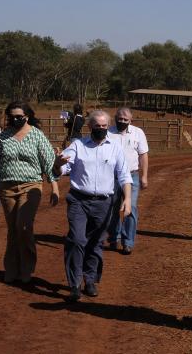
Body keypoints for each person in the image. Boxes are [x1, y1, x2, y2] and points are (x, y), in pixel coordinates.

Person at [53, 110, 132, 302]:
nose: (102, 129)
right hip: (79, 200)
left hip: (104, 202)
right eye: (98, 126)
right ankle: (74, 284)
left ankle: (90, 280)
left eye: (105, 126)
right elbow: (63, 168)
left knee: (95, 242)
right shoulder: (78, 146)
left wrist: (127, 199)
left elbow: (124, 175)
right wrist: (57, 163)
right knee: (77, 239)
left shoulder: (115, 148)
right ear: (90, 127)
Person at [0, 102, 59, 285]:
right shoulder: (4, 136)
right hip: (6, 188)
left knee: (23, 226)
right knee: (13, 229)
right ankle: (12, 269)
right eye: (12, 116)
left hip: (31, 187)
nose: (15, 119)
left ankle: (27, 268)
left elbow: (48, 162)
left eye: (19, 116)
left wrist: (53, 186)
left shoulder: (37, 136)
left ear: (27, 116)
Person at [106, 107, 149, 255]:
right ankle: (113, 237)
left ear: (131, 120)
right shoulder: (108, 133)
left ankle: (128, 241)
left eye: (125, 119)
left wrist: (144, 176)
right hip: (112, 176)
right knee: (113, 207)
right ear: (115, 117)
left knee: (131, 208)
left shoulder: (138, 133)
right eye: (120, 119)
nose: (122, 121)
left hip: (132, 176)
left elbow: (143, 155)